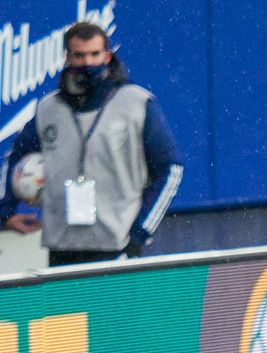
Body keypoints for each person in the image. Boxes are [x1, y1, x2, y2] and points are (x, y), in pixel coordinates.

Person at [0, 22, 182, 267]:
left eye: (95, 54)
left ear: (107, 55)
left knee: (115, 307)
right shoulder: (48, 109)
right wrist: (6, 211)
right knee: (67, 307)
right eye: (79, 55)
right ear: (67, 59)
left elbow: (170, 169)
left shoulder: (137, 103)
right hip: (62, 245)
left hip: (116, 245)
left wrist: (139, 235)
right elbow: (17, 157)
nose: (87, 63)